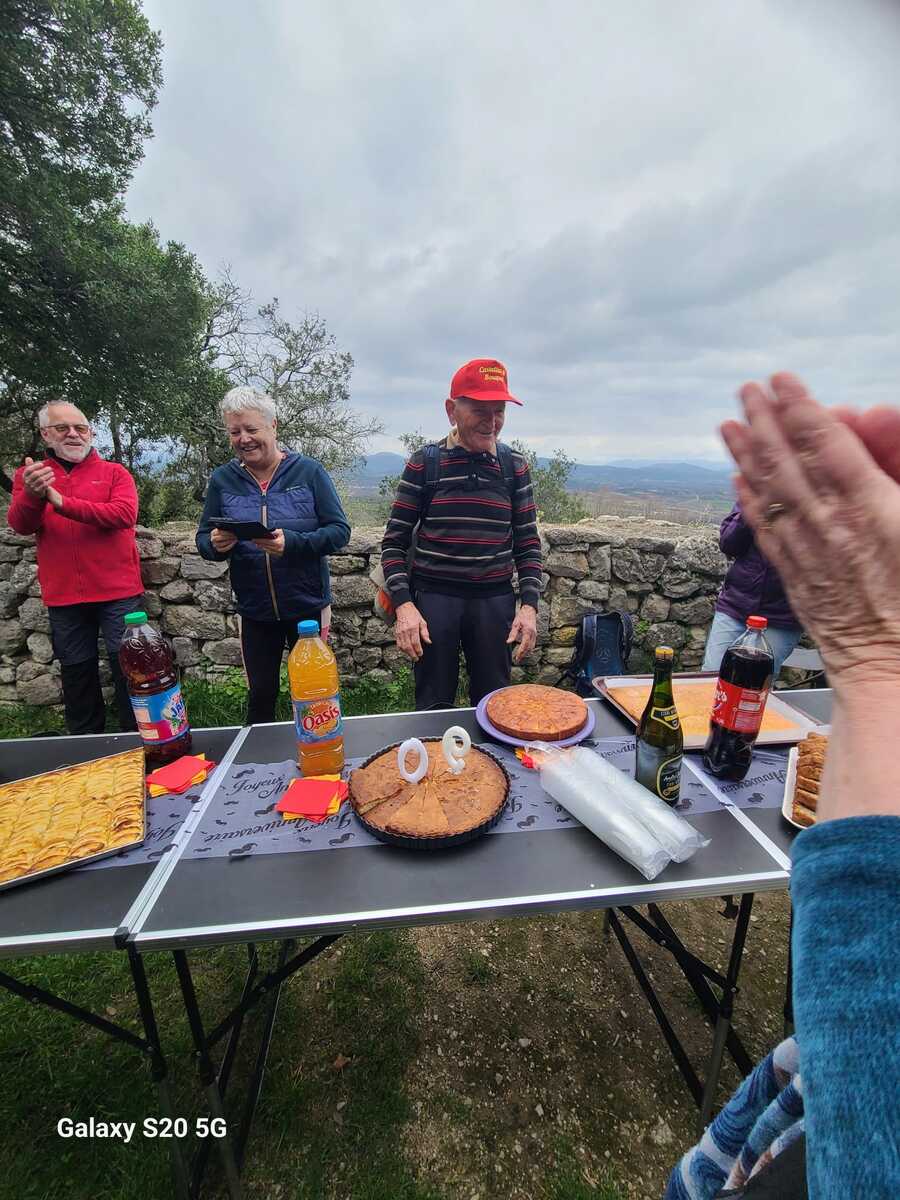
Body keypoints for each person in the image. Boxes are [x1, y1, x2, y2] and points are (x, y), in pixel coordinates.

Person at [666, 374, 900, 1199]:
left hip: (788, 620)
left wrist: (873, 661)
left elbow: (869, 1043)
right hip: (746, 607)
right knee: (717, 703)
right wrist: (874, 658)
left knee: (746, 716)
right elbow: (733, 539)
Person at [381, 358, 542, 710]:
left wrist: (529, 607)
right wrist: (405, 606)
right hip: (434, 602)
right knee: (433, 705)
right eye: (480, 410)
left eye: (499, 411)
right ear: (451, 410)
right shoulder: (425, 463)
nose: (492, 421)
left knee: (494, 705)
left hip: (494, 603)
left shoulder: (514, 467)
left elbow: (528, 545)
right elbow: (393, 544)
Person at [196, 386, 350, 724]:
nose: (243, 439)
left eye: (251, 429)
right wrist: (215, 544)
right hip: (255, 611)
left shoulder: (308, 472)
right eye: (235, 432)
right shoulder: (223, 479)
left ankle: (319, 753)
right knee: (261, 695)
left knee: (313, 695)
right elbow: (203, 539)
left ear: (273, 426)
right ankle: (261, 757)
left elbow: (339, 532)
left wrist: (292, 543)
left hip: (307, 608)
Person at [7, 402, 143, 734]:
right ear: (45, 434)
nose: (73, 434)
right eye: (62, 428)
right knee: (76, 673)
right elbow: (21, 525)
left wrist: (60, 502)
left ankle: (139, 739)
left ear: (90, 433)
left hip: (118, 591)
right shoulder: (30, 476)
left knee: (130, 669)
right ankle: (85, 745)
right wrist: (33, 496)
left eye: (80, 428)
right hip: (64, 594)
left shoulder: (115, 473)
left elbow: (123, 515)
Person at [701, 503, 803, 676]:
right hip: (735, 607)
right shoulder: (756, 495)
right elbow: (728, 544)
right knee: (712, 676)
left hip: (782, 618)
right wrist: (751, 511)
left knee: (756, 683)